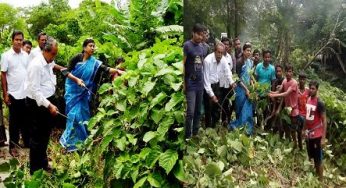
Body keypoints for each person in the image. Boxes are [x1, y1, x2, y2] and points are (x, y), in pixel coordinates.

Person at [25, 37, 84, 174]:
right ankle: (35, 171)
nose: (54, 57)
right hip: (37, 103)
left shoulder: (48, 60)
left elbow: (58, 68)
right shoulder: (36, 65)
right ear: (46, 51)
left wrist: (74, 78)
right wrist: (49, 106)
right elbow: (35, 91)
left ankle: (43, 164)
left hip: (47, 100)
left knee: (45, 134)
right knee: (37, 137)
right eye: (53, 54)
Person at [59, 38, 125, 151]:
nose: (93, 48)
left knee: (81, 116)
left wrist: (118, 71)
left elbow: (106, 69)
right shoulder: (77, 58)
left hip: (83, 94)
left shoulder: (94, 62)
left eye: (94, 46)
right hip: (73, 91)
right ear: (84, 47)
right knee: (73, 115)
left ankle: (82, 143)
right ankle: (69, 143)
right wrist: (77, 80)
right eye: (90, 46)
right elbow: (65, 71)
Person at [1, 30, 30, 156]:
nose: (19, 41)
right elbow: (3, 74)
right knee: (14, 122)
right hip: (13, 93)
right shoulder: (6, 56)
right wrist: (5, 94)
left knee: (25, 119)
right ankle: (13, 146)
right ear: (12, 40)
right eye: (16, 39)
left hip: (26, 93)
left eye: (20, 39)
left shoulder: (26, 55)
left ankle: (26, 142)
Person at [203, 43, 235, 128]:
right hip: (208, 87)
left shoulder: (223, 59)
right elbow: (206, 81)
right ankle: (208, 129)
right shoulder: (207, 60)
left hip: (217, 85)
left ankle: (214, 127)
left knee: (217, 108)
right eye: (218, 52)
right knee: (208, 110)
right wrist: (212, 95)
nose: (220, 55)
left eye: (221, 52)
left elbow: (228, 72)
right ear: (214, 51)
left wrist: (231, 82)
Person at [183, 23, 205, 139]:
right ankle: (187, 136)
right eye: (198, 34)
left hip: (200, 83)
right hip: (190, 82)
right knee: (190, 112)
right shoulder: (187, 45)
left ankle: (195, 134)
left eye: (202, 35)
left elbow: (201, 64)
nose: (200, 37)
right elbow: (183, 65)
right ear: (193, 33)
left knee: (198, 111)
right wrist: (184, 83)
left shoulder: (202, 47)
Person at [269, 64, 299, 147]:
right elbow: (279, 91)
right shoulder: (284, 81)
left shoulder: (294, 83)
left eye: (290, 71)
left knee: (293, 130)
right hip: (286, 109)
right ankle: (289, 144)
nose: (288, 73)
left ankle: (296, 146)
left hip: (294, 109)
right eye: (287, 71)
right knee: (286, 128)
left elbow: (286, 93)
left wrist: (273, 96)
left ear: (293, 73)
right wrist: (270, 92)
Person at [302, 80, 327, 181]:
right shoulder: (308, 99)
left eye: (313, 89)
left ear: (317, 89)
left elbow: (324, 121)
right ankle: (316, 176)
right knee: (311, 155)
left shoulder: (320, 103)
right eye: (310, 88)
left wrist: (323, 138)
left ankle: (321, 180)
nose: (311, 90)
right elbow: (306, 117)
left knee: (318, 159)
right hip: (310, 133)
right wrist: (303, 130)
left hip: (317, 135)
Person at [228, 43, 254, 135]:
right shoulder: (239, 62)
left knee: (247, 109)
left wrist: (252, 85)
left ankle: (246, 128)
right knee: (239, 108)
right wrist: (246, 89)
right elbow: (238, 78)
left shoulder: (250, 62)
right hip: (240, 89)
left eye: (250, 51)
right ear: (243, 51)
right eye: (247, 50)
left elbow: (250, 76)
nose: (249, 52)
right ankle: (238, 127)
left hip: (248, 88)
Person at [296, 72, 309, 150]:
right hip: (298, 114)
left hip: (307, 116)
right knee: (299, 132)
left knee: (307, 134)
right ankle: (300, 147)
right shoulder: (296, 90)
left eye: (303, 79)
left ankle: (308, 151)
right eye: (300, 79)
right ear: (298, 79)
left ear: (305, 80)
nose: (302, 81)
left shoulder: (308, 91)